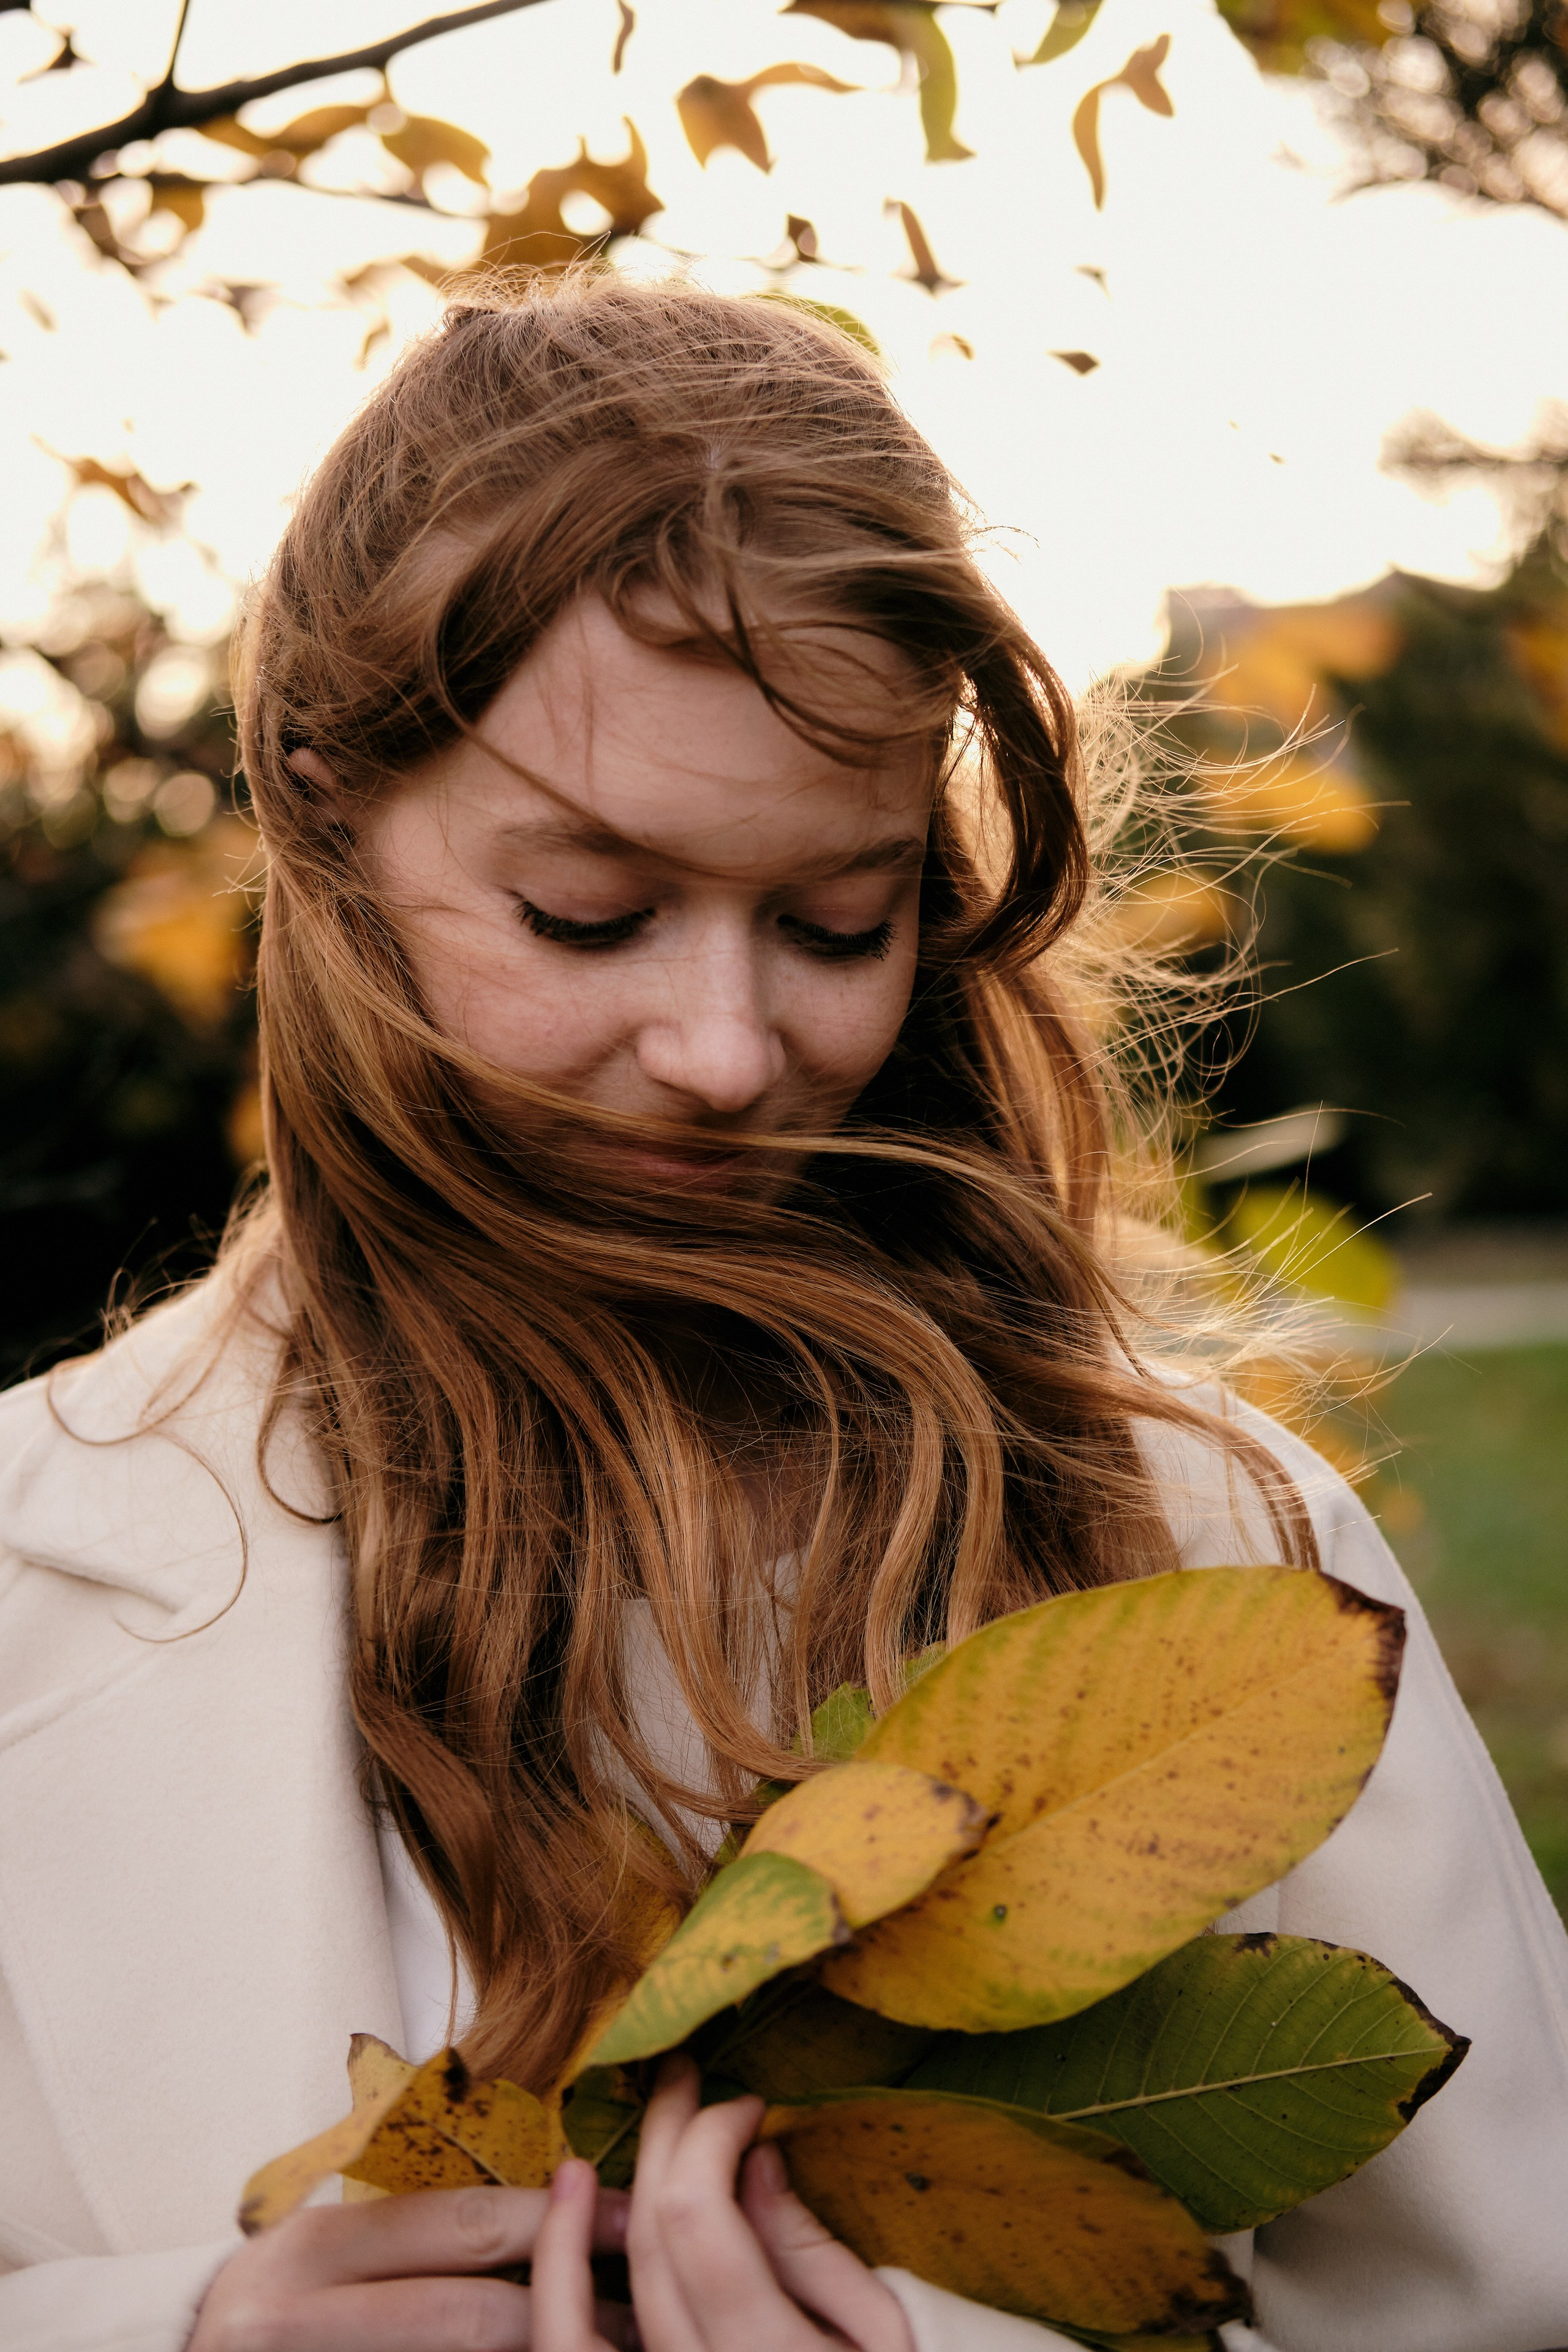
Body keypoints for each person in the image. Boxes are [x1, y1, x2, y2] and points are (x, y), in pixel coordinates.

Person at [1, 277, 1565, 2352]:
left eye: (840, 922)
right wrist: (181, 2331)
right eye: (591, 914)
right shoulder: (33, 1566)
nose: (732, 1051)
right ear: (322, 812)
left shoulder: (1212, 1552)